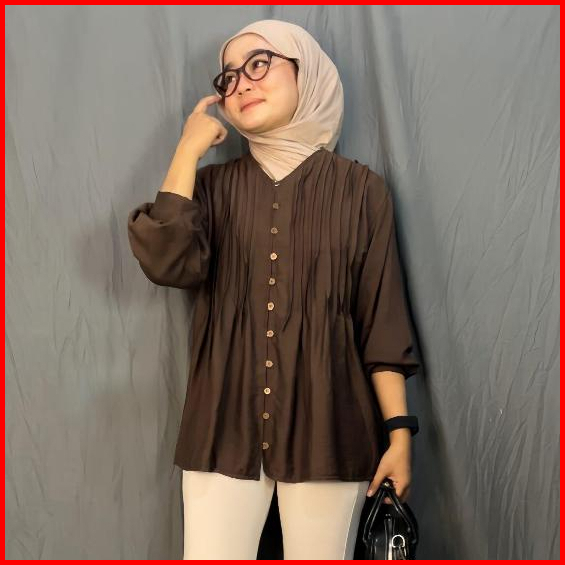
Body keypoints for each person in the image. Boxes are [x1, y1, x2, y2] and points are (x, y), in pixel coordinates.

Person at [127, 18, 421, 560]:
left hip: (331, 424)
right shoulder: (210, 188)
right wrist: (188, 150)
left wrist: (399, 434)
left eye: (259, 64)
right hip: (222, 425)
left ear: (305, 71)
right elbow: (167, 262)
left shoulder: (361, 191)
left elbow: (381, 322)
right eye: (229, 77)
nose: (242, 83)